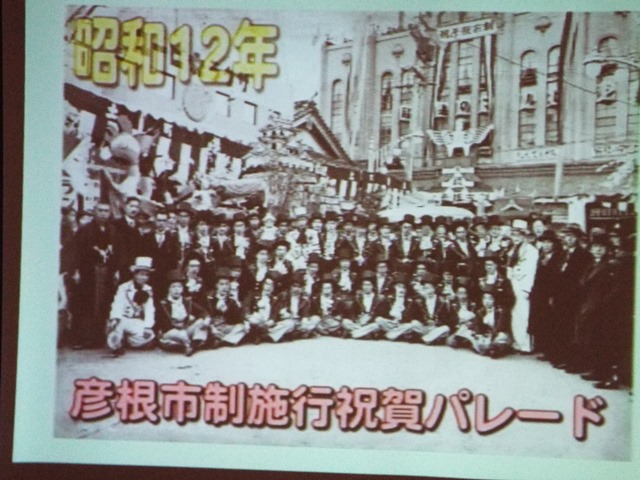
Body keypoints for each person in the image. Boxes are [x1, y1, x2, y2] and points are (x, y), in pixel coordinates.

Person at [70, 201, 119, 349]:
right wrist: (76, 270)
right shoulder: (85, 230)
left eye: (106, 211)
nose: (103, 214)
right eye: (100, 210)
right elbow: (76, 251)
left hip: (106, 272)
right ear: (95, 212)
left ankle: (99, 337)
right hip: (88, 271)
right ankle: (84, 338)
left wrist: (116, 270)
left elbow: (118, 252)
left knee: (103, 303)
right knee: (86, 304)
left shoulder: (112, 230)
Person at [106, 256, 156, 356]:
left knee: (149, 337)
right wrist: (115, 318)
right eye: (141, 274)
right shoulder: (124, 287)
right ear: (135, 274)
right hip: (123, 318)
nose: (144, 278)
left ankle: (128, 340)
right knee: (115, 331)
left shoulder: (148, 289)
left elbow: (150, 309)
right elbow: (118, 303)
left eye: (146, 275)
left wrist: (148, 326)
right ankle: (117, 343)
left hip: (136, 320)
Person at [156, 271, 210, 356]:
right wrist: (176, 327)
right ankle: (191, 344)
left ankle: (191, 346)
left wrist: (206, 319)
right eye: (173, 287)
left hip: (186, 329)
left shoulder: (187, 301)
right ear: (169, 289)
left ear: (182, 289)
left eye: (179, 286)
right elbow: (161, 324)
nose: (177, 289)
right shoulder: (163, 304)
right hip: (171, 332)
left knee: (201, 323)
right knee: (177, 336)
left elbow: (202, 311)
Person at [528, 229, 563, 361]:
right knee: (540, 320)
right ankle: (542, 348)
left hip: (550, 292)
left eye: (549, 242)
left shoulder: (559, 256)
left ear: (554, 244)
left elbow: (557, 278)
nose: (546, 245)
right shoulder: (540, 255)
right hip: (539, 292)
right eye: (544, 242)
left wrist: (553, 295)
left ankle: (550, 351)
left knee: (550, 322)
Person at [506, 219, 539, 353]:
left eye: (519, 234)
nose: (516, 237)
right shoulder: (513, 249)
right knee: (515, 314)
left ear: (525, 235)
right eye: (513, 234)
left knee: (524, 315)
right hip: (513, 283)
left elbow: (531, 271)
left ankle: (526, 344)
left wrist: (527, 288)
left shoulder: (531, 250)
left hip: (523, 284)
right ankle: (518, 341)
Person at [206, 268, 247, 346]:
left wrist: (229, 308)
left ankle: (221, 340)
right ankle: (223, 339)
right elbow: (207, 315)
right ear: (217, 285)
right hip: (213, 326)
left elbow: (237, 318)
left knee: (242, 327)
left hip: (225, 327)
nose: (224, 287)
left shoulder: (230, 300)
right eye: (222, 284)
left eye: (227, 284)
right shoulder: (210, 298)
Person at [469, 285, 512, 358]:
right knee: (473, 335)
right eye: (484, 298)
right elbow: (477, 325)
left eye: (490, 299)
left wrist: (490, 338)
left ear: (494, 300)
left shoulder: (501, 311)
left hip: (497, 334)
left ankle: (493, 349)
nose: (487, 301)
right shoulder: (480, 311)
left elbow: (500, 327)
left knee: (502, 336)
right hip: (486, 334)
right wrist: (480, 335)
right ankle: (488, 348)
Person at [342, 271, 387, 339]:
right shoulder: (358, 298)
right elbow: (354, 312)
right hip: (359, 322)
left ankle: (356, 333)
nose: (366, 287)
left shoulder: (378, 299)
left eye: (368, 285)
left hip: (371, 322)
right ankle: (363, 332)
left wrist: (369, 318)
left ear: (372, 286)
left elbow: (380, 314)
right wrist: (358, 319)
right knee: (345, 322)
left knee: (376, 325)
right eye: (364, 285)